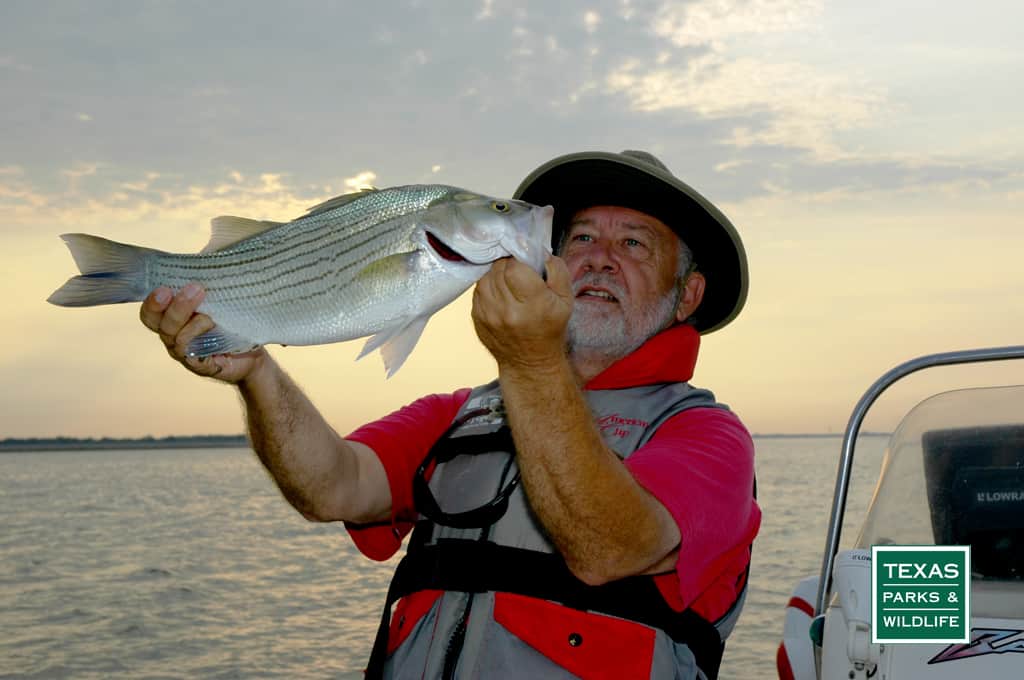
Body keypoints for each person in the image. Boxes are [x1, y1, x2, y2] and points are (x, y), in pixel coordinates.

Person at [140, 149, 760, 679]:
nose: (598, 258)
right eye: (580, 237)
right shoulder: (459, 414)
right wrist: (256, 373)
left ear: (689, 295)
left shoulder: (707, 435)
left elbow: (610, 550)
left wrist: (532, 365)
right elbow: (332, 486)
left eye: (633, 243)